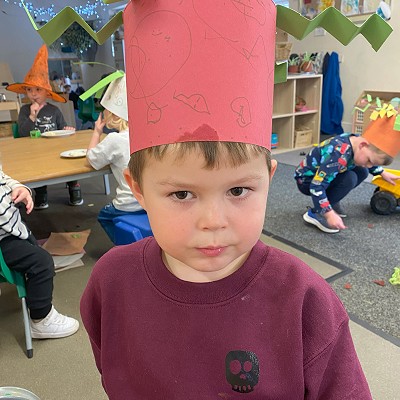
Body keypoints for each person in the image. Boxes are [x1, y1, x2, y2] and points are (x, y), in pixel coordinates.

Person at [80, 2, 373, 398]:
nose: (213, 220)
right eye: (182, 194)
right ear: (138, 189)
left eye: (238, 191)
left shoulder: (305, 302)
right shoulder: (110, 284)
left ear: (269, 181)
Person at [0, 169, 79, 339]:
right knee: (41, 262)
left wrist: (20, 188)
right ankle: (41, 319)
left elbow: (3, 177)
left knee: (33, 246)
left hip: (12, 227)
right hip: (4, 238)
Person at [6, 45, 84, 209]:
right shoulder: (25, 110)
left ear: (47, 92)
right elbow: (22, 133)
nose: (33, 94)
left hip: (56, 149)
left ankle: (74, 187)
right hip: (35, 151)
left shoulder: (54, 110)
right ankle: (41, 193)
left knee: (69, 162)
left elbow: (62, 128)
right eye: (29, 90)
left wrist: (68, 130)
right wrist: (32, 117)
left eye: (38, 90)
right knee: (37, 168)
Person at [295, 114, 400, 234]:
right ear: (362, 145)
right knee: (349, 178)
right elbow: (316, 185)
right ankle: (316, 213)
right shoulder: (337, 154)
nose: (370, 165)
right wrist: (328, 214)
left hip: (326, 174)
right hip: (307, 181)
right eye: (369, 161)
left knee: (362, 170)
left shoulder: (356, 141)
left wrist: (381, 172)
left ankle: (331, 201)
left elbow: (369, 159)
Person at [85, 74, 144, 243]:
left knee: (104, 215)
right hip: (150, 203)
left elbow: (92, 159)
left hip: (128, 205)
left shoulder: (115, 140)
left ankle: (124, 246)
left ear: (114, 116)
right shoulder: (143, 136)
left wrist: (97, 132)